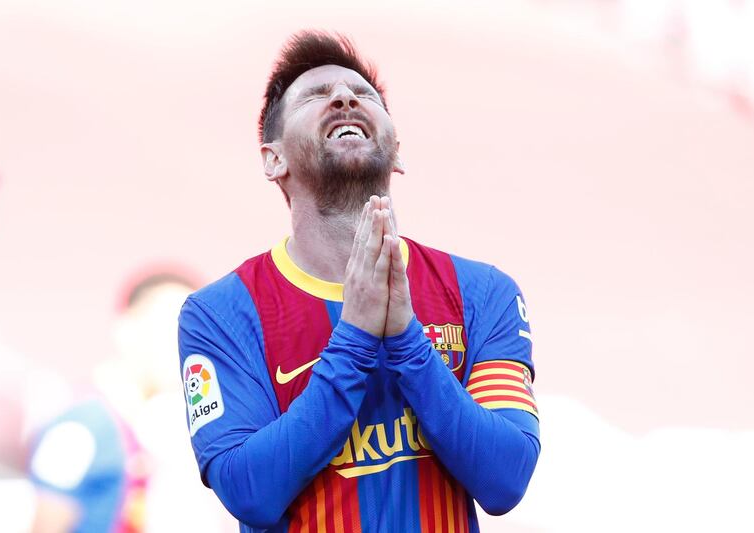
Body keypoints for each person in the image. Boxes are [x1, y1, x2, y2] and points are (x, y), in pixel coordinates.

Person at [178, 31, 540, 533]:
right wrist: (354, 339)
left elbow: (506, 480)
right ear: (273, 160)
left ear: (396, 152)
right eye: (315, 96)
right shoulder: (221, 313)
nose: (345, 98)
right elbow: (248, 491)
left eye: (363, 94)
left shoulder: (482, 293)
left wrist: (408, 343)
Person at [28, 270, 235, 533]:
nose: (184, 346)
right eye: (169, 329)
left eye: (194, 334)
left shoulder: (152, 425)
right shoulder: (80, 428)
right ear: (126, 328)